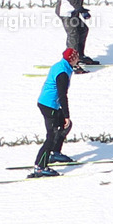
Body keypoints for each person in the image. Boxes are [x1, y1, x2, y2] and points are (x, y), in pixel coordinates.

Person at [30, 48, 80, 178]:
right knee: (51, 136)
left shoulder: (62, 65)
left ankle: (54, 153)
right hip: (49, 105)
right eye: (77, 57)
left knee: (65, 125)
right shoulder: (62, 72)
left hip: (50, 104)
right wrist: (66, 115)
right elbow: (62, 95)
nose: (78, 59)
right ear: (72, 59)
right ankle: (40, 166)